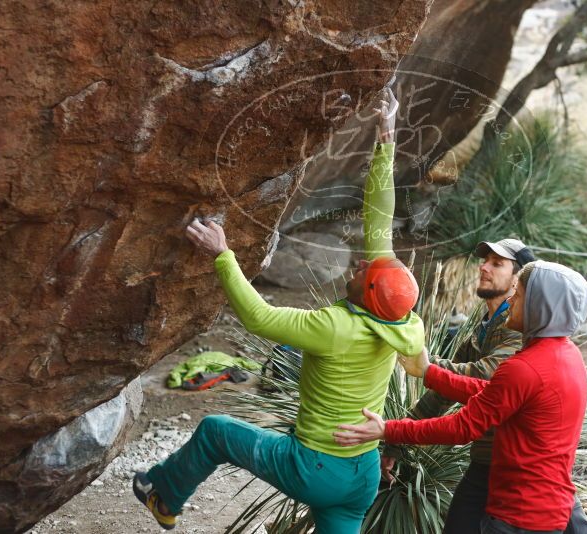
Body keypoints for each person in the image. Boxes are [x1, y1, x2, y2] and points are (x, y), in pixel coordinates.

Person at [133, 88, 425, 533]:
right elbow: (379, 219)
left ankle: (164, 496)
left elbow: (259, 318)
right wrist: (387, 136)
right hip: (361, 474)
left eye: (365, 269)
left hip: (315, 469)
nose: (364, 260)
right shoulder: (403, 321)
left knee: (215, 430)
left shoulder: (335, 326)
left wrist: (223, 254)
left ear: (366, 292)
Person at [335, 260, 587, 534]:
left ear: (541, 307)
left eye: (519, 295)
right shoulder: (568, 355)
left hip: (519, 517)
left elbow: (461, 427)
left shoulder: (524, 368)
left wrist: (387, 429)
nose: (511, 300)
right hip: (552, 507)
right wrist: (430, 373)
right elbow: (493, 395)